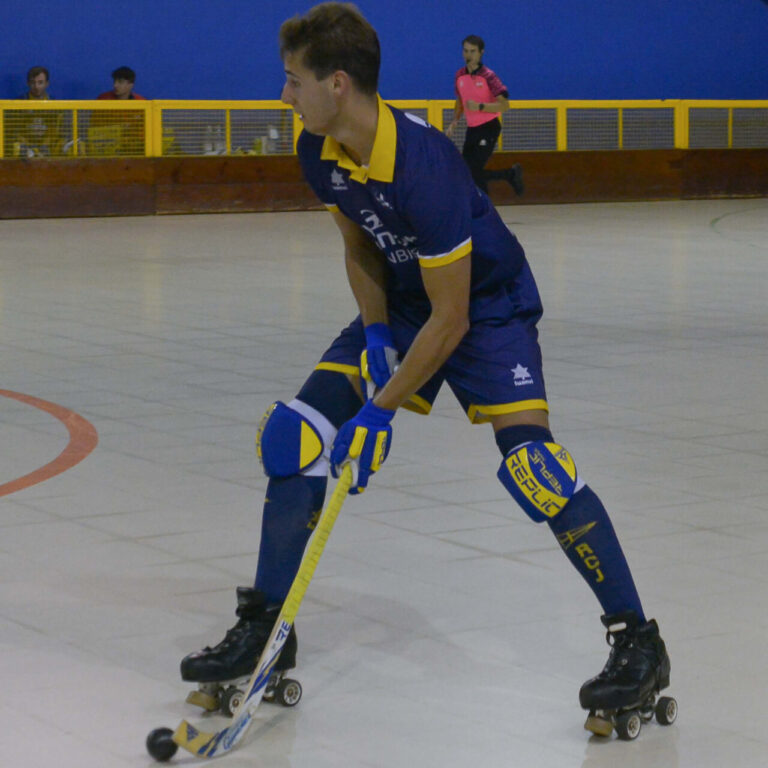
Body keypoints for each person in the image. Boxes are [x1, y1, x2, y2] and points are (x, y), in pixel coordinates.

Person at [180, 2, 673, 738]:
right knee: (294, 437)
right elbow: (359, 246)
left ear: (338, 83)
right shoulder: (319, 148)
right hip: (409, 304)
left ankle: (637, 641)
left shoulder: (425, 165)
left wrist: (380, 409)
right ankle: (267, 627)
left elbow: (454, 318)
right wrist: (378, 333)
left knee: (536, 468)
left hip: (487, 307)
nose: (284, 95)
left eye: (292, 80)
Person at [446, 35, 524, 196]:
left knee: (473, 171)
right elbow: (460, 100)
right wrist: (454, 121)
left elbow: (505, 105)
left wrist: (480, 106)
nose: (468, 55)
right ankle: (509, 175)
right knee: (467, 173)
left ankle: (506, 178)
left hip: (489, 127)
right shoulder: (459, 75)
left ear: (481, 52)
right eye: (465, 51)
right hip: (472, 129)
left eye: (473, 51)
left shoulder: (488, 76)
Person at [92, 67, 146, 156]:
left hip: (133, 149)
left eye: (120, 82)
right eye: (114, 81)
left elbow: (143, 133)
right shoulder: (103, 100)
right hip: (107, 148)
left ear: (130, 85)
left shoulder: (142, 103)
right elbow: (95, 128)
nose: (115, 85)